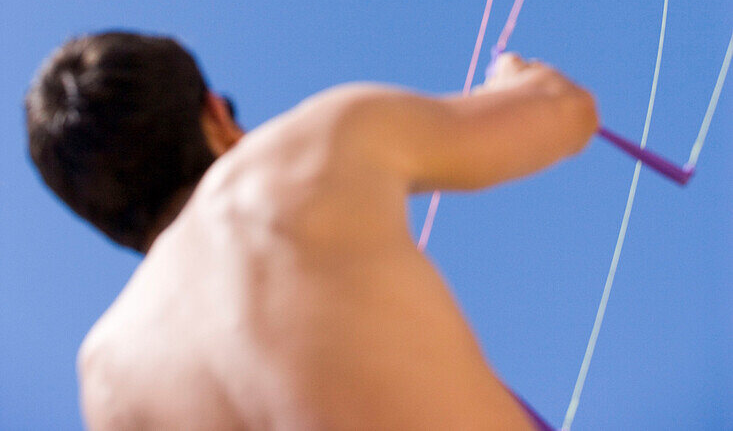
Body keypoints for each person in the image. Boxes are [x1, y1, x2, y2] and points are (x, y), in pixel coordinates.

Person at [24, 31, 598, 430]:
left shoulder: (105, 375)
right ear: (215, 116)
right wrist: (517, 78)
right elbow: (566, 111)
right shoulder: (306, 147)